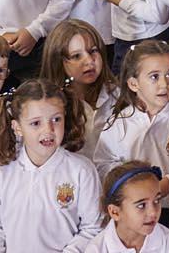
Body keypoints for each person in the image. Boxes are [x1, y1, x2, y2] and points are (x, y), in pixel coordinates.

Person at [0, 79, 104, 251]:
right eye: (36, 123)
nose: (48, 130)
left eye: (56, 119)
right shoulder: (0, 173)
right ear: (17, 127)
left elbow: (93, 228)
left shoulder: (81, 170)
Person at [91, 41, 169, 218]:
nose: (164, 84)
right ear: (133, 84)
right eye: (154, 76)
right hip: (132, 209)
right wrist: (130, 183)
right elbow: (103, 164)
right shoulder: (119, 122)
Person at [41, 19, 122, 163]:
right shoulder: (49, 104)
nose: (89, 61)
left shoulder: (118, 95)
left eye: (93, 51)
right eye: (76, 56)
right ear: (58, 61)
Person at [76, 161, 169, 253]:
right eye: (141, 205)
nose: (153, 212)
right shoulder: (96, 249)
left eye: (157, 200)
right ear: (115, 212)